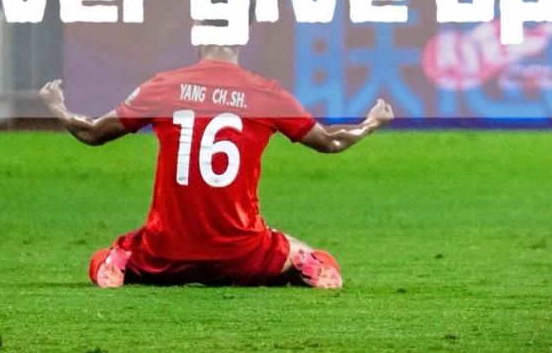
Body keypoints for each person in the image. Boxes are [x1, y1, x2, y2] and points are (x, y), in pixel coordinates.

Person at [39, 33, 393, 290]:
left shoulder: (165, 86)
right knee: (310, 253)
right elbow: (330, 141)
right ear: (243, 38)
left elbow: (93, 133)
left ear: (196, 36)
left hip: (166, 252)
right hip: (241, 252)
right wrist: (371, 123)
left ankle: (117, 263)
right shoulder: (266, 94)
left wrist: (58, 107)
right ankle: (307, 265)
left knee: (107, 253)